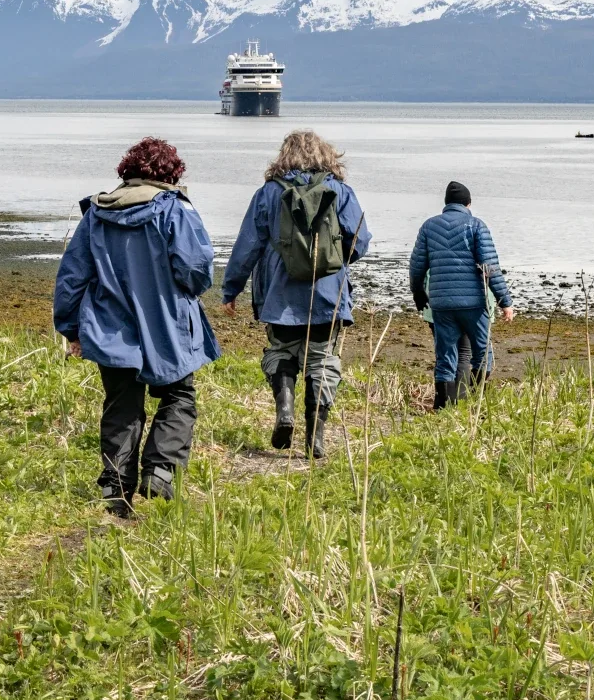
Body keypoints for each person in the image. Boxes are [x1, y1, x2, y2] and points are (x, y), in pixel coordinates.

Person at [53, 136, 219, 517]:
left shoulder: (97, 213)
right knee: (179, 397)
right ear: (171, 173)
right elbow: (197, 270)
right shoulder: (175, 210)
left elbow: (72, 277)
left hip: (110, 330)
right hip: (166, 327)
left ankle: (115, 488)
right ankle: (160, 470)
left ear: (127, 171)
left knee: (121, 406)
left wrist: (70, 327)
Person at [222, 130, 372, 458]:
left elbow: (247, 245)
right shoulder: (340, 190)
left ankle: (285, 410)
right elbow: (360, 240)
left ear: (284, 156)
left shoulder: (269, 193)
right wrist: (332, 259)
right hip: (327, 294)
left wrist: (231, 288)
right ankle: (315, 438)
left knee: (281, 353)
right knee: (322, 360)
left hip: (279, 294)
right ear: (325, 155)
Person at [409, 180, 514, 409]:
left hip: (441, 303)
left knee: (445, 357)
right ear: (468, 203)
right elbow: (489, 267)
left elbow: (417, 265)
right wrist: (505, 301)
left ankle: (444, 408)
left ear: (446, 203)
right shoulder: (476, 225)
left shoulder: (429, 226)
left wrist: (418, 293)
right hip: (473, 304)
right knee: (483, 353)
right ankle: (473, 403)